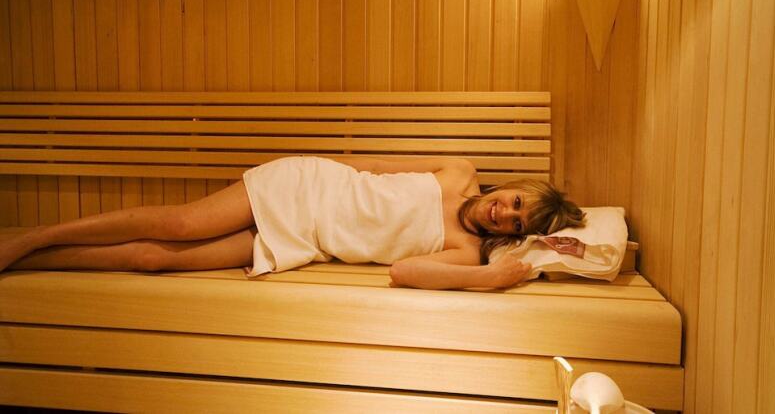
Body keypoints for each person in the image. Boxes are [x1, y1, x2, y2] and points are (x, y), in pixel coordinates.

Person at [0, 156, 584, 290]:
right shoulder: (458, 172)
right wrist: (321, 177)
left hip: (307, 241)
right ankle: (33, 238)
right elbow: (372, 170)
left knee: (153, 259)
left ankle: (33, 262)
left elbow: (404, 272)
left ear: (512, 235)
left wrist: (493, 277)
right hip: (306, 188)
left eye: (515, 222)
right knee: (178, 225)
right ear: (509, 188)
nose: (504, 211)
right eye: (514, 200)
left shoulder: (463, 252)